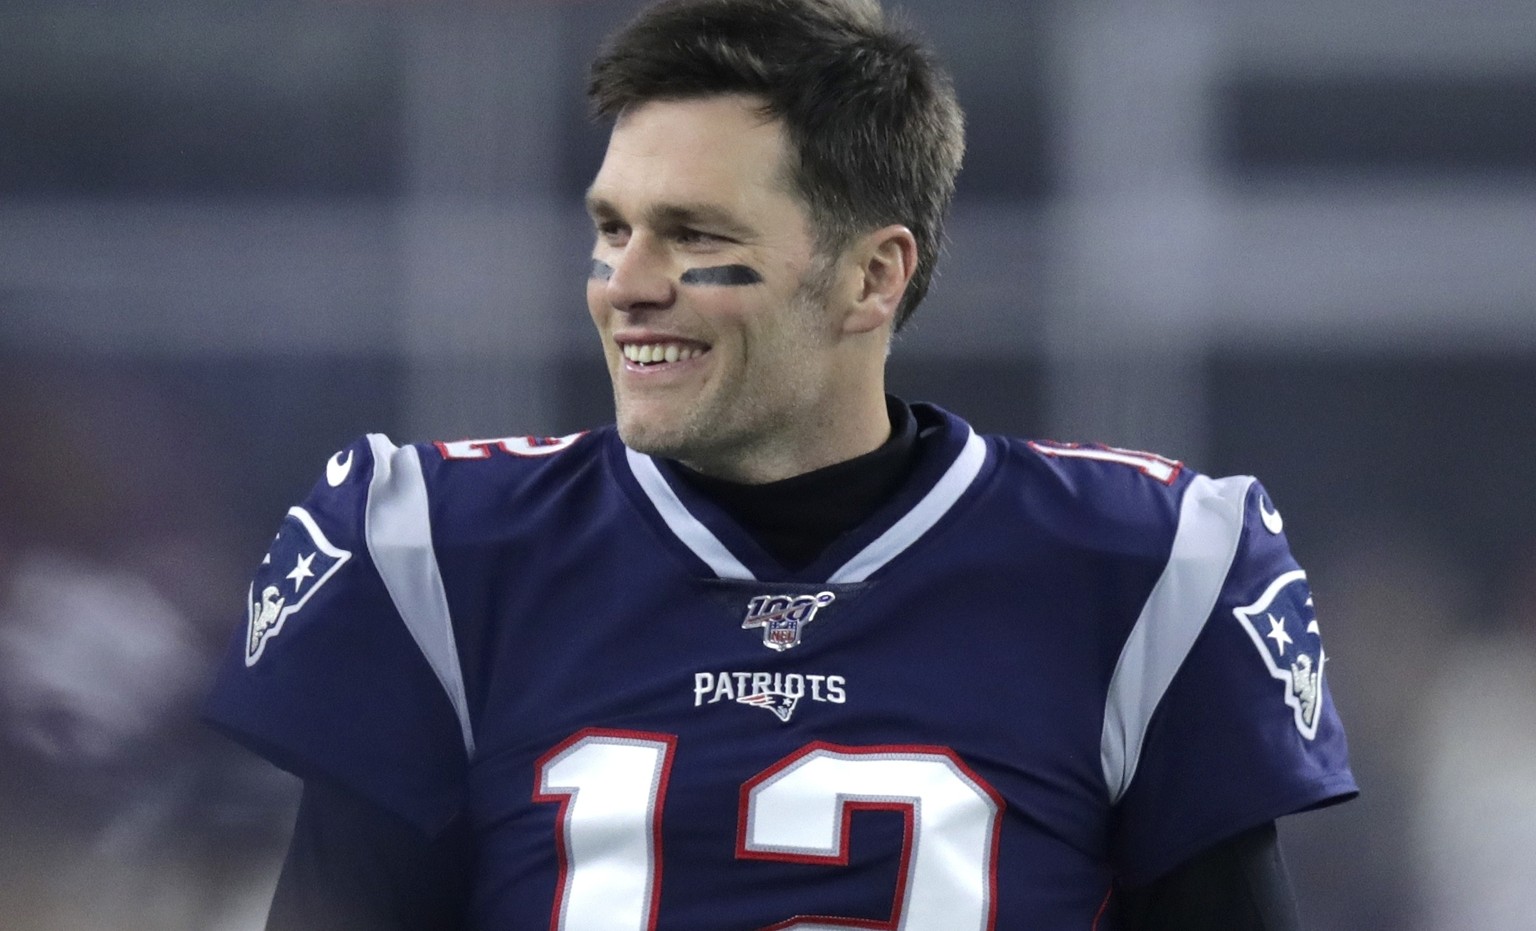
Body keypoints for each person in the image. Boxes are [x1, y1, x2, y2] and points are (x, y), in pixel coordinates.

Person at [205, 0, 1356, 927]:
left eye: (697, 235)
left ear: (872, 277)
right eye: (613, 228)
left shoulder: (1138, 568)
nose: (627, 282)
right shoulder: (442, 553)